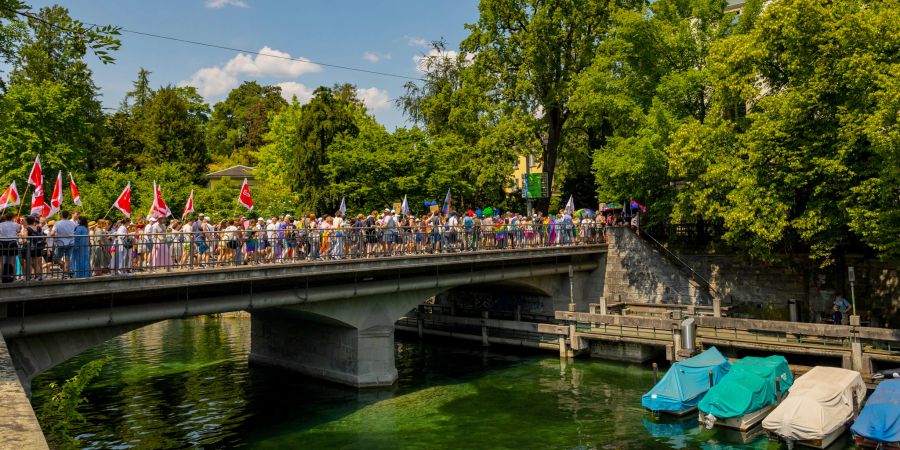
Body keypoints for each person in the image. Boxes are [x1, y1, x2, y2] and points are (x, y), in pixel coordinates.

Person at [53, 210, 77, 277]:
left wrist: (52, 235)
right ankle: (66, 272)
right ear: (68, 216)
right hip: (71, 243)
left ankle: (65, 270)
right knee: (67, 258)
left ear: (61, 215)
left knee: (56, 258)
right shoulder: (72, 223)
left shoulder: (57, 223)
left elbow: (52, 233)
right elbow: (76, 229)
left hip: (61, 243)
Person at [22, 215, 45, 280]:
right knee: (36, 262)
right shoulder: (37, 228)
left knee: (28, 262)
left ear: (27, 221)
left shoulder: (27, 228)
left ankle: (28, 276)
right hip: (37, 247)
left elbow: (24, 240)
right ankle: (38, 276)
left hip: (29, 248)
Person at [0, 214, 20, 282]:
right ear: (12, 217)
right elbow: (18, 231)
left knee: (1, 262)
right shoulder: (16, 224)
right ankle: (14, 277)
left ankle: (0, 278)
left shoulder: (1, 224)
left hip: (2, 243)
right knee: (13, 261)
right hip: (12, 243)